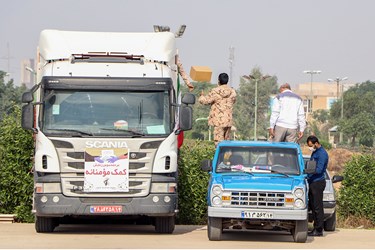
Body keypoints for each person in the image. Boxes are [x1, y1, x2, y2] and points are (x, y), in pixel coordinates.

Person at [198, 73, 236, 146]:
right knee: (227, 143)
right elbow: (233, 101)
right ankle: (227, 157)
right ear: (227, 81)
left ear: (219, 81)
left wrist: (201, 96)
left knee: (218, 144)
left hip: (219, 122)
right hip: (228, 121)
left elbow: (205, 101)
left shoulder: (215, 91)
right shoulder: (232, 92)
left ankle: (220, 157)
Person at [306, 135, 328, 237]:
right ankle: (315, 228)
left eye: (311, 145)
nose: (310, 147)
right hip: (312, 182)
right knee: (313, 206)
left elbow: (318, 170)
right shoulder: (315, 152)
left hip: (318, 182)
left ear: (316, 143)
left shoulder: (322, 154)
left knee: (318, 207)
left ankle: (319, 229)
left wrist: (307, 172)